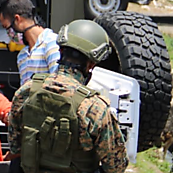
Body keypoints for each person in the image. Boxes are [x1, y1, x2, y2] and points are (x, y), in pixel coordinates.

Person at [8, 20, 128, 173]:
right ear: (90, 65)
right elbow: (116, 166)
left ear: (61, 52)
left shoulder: (26, 92)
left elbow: (15, 145)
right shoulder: (95, 108)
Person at [0, 0, 60, 85]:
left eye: (7, 27)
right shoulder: (22, 56)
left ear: (18, 19)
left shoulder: (52, 43)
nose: (9, 34)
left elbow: (58, 85)